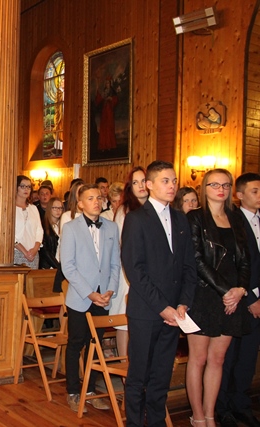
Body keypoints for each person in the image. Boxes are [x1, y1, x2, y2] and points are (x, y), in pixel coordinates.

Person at [121, 160, 198, 427]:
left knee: (162, 375)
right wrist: (162, 307)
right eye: (165, 181)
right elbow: (135, 270)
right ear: (149, 185)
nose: (172, 186)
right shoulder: (136, 219)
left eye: (174, 181)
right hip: (147, 311)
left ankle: (156, 422)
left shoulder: (180, 218)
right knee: (139, 375)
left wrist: (183, 303)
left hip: (175, 313)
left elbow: (188, 265)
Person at [185, 169, 251, 427]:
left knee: (218, 359)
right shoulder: (195, 217)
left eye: (225, 185)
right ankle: (198, 416)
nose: (221, 189)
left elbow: (245, 260)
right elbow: (197, 260)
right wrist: (226, 291)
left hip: (233, 296)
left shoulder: (236, 218)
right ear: (205, 188)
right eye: (214, 185)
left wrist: (240, 289)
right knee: (199, 359)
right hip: (204, 294)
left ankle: (210, 415)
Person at [60, 184, 120, 413]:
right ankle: (73, 392)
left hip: (103, 297)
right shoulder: (71, 228)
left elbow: (115, 263)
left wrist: (110, 290)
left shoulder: (112, 227)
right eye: (90, 198)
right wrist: (90, 293)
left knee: (96, 345)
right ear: (80, 204)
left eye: (99, 197)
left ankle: (91, 390)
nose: (96, 201)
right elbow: (68, 267)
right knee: (76, 343)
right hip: (80, 297)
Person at [216, 173, 260, 427]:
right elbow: (234, 264)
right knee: (229, 357)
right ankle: (222, 407)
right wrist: (251, 296)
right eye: (255, 191)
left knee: (247, 359)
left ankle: (242, 405)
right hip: (239, 299)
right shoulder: (232, 220)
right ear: (240, 194)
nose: (259, 195)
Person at [109, 166, 148, 357]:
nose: (140, 186)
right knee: (124, 322)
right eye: (135, 182)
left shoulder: (156, 208)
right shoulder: (125, 211)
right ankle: (124, 365)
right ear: (129, 187)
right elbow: (121, 245)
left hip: (150, 272)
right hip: (128, 271)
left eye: (143, 181)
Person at [14, 175, 43, 269]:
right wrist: (25, 252)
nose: (26, 189)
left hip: (33, 253)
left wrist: (35, 249)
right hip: (16, 252)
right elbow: (10, 234)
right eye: (22, 186)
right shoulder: (10, 208)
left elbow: (39, 230)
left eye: (29, 187)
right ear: (16, 187)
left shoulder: (33, 208)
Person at [39, 197, 63, 270]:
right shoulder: (43, 225)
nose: (58, 210)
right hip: (48, 266)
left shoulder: (64, 225)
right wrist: (57, 266)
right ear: (49, 209)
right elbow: (45, 250)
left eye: (60, 208)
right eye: (55, 208)